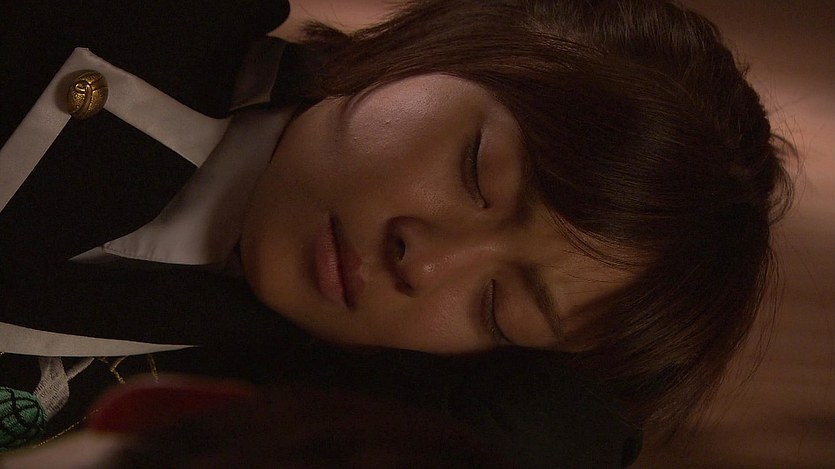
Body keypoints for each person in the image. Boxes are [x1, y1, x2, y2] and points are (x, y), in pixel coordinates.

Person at [0, 0, 791, 465]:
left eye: (496, 305)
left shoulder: (280, 409)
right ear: (440, 47)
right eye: (476, 171)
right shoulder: (147, 22)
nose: (425, 260)